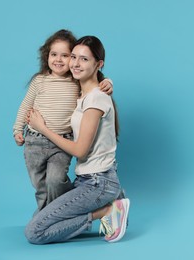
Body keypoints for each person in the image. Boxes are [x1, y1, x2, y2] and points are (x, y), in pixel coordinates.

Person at [25, 35, 130, 244]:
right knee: (41, 220)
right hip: (85, 180)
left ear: (98, 64)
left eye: (84, 59)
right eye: (73, 57)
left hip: (98, 182)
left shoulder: (96, 98)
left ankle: (108, 210)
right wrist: (107, 81)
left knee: (35, 233)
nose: (75, 63)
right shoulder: (83, 93)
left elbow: (80, 151)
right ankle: (112, 201)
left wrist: (42, 129)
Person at [13, 29, 114, 213]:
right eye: (53, 54)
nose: (58, 60)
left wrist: (109, 82)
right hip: (34, 141)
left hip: (62, 142)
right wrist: (17, 129)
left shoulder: (75, 81)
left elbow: (95, 81)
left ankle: (57, 211)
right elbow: (25, 106)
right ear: (46, 56)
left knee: (56, 180)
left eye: (65, 55)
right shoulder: (40, 81)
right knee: (40, 184)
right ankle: (46, 213)